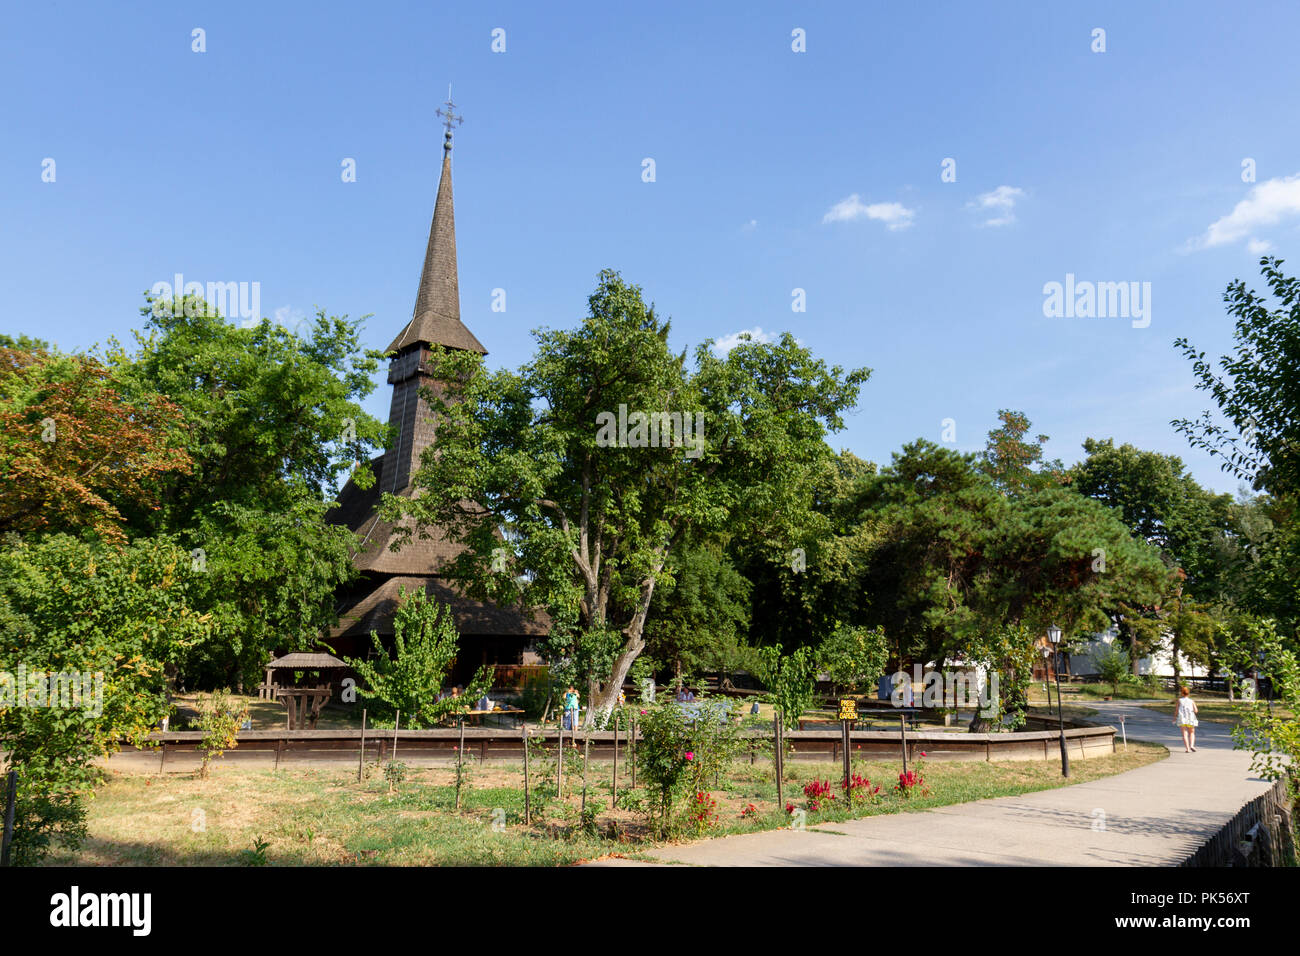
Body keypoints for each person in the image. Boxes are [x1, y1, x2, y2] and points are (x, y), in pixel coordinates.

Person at [1174, 685, 1199, 752]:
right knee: (1191, 732)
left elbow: (1176, 710)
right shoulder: (1191, 701)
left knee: (1184, 733)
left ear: (1182, 693)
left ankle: (1187, 748)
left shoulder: (1179, 700)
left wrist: (1174, 718)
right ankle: (1192, 745)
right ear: (1188, 693)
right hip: (1190, 718)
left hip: (1182, 718)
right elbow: (1196, 710)